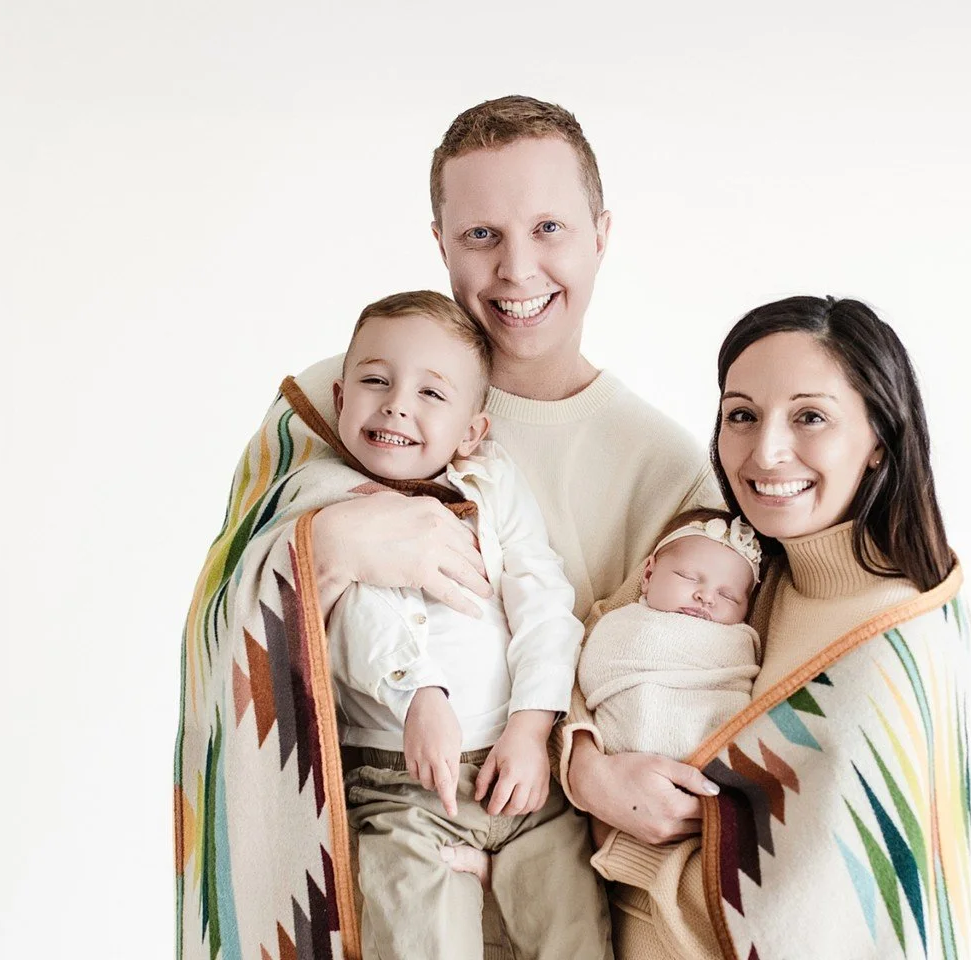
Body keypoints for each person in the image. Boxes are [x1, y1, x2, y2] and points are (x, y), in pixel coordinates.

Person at [175, 95, 719, 959]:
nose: (517, 269)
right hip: (379, 882)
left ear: (601, 233)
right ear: (439, 241)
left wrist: (565, 750)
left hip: (563, 888)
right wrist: (326, 548)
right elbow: (218, 621)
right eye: (481, 236)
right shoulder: (337, 402)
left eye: (548, 227)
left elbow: (675, 682)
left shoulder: (667, 465)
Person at [560, 296, 971, 959]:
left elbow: (812, 917)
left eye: (810, 417)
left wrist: (635, 855)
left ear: (878, 439)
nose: (767, 451)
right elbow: (600, 638)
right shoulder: (743, 569)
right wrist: (585, 769)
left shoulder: (897, 639)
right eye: (741, 416)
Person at [319, 289, 610, 959]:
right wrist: (420, 692)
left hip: (517, 772)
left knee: (571, 928)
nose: (396, 404)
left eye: (431, 393)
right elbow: (355, 617)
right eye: (375, 381)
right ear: (340, 398)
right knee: (416, 930)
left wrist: (532, 726)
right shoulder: (333, 498)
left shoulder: (491, 485)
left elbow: (541, 599)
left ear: (472, 431)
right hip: (398, 784)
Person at [576, 508, 761, 763]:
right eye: (689, 578)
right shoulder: (621, 622)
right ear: (649, 575)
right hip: (623, 757)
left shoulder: (736, 639)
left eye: (728, 596)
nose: (706, 597)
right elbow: (587, 674)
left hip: (715, 755)